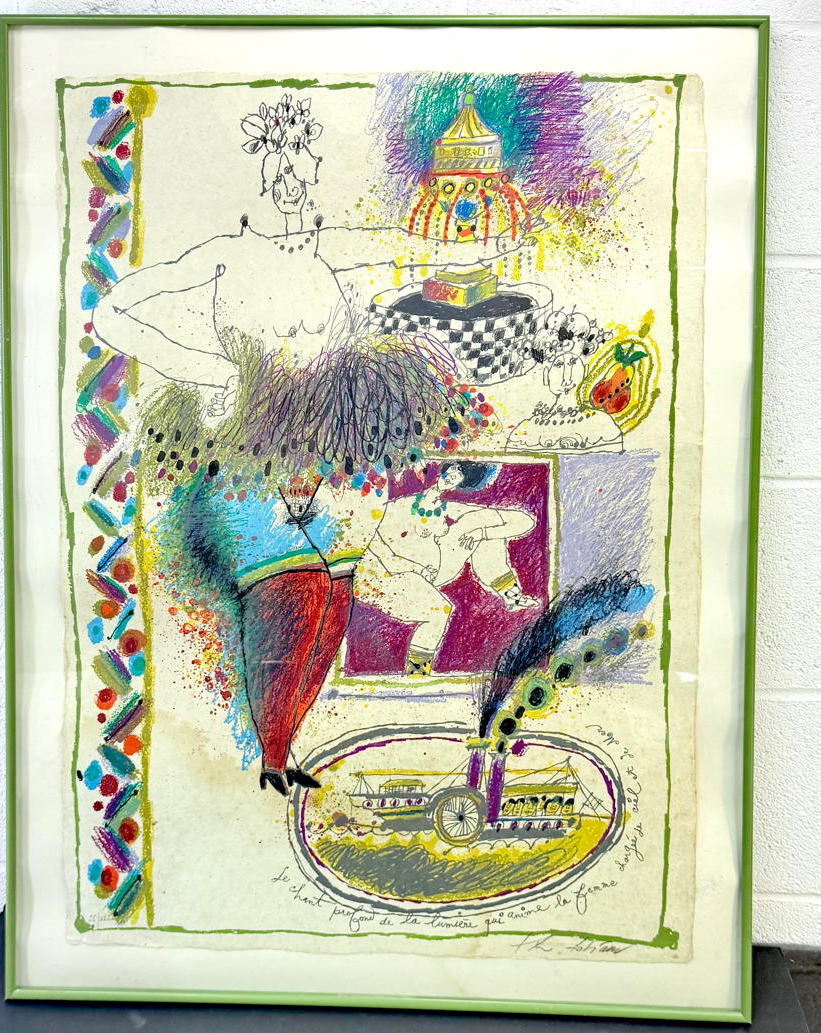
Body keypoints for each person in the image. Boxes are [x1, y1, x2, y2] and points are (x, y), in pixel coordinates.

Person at [93, 193, 537, 797]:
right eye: (280, 171)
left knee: (333, 602)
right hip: (247, 491)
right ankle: (273, 752)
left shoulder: (322, 284)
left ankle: (282, 750)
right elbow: (113, 314)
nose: (293, 190)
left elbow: (354, 328)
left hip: (309, 487)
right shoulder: (225, 279)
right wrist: (207, 355)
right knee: (299, 594)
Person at [357, 461, 536, 676]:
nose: (453, 475)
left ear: (461, 483)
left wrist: (482, 534)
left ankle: (512, 595)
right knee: (439, 611)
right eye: (453, 470)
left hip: (427, 572)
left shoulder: (448, 508)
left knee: (475, 524)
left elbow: (526, 521)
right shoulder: (404, 505)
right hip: (383, 575)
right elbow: (367, 536)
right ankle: (417, 675)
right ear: (445, 471)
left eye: (460, 475)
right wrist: (406, 565)